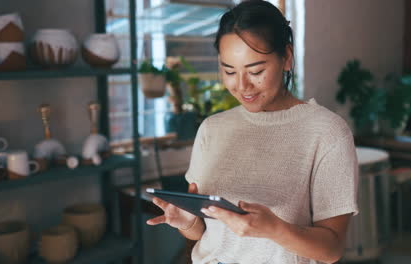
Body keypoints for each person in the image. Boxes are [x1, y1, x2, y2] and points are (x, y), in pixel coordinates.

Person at [147, 1, 359, 263]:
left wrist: (274, 229)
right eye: (229, 71)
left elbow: (332, 250)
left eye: (256, 71)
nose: (243, 86)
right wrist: (186, 223)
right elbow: (203, 233)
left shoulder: (327, 132)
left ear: (287, 58)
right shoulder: (212, 129)